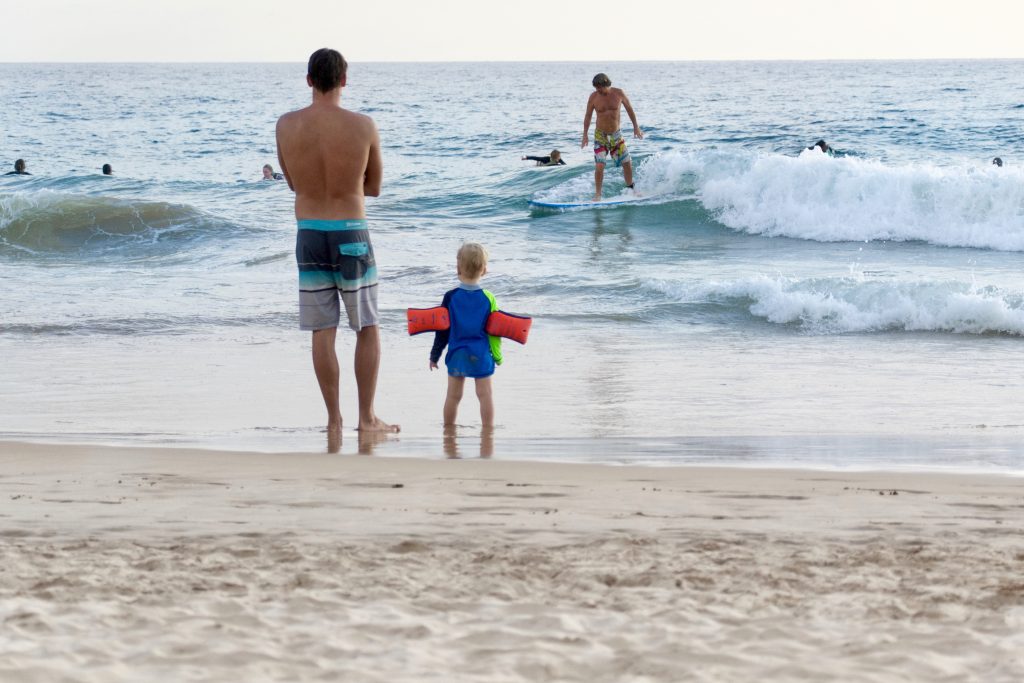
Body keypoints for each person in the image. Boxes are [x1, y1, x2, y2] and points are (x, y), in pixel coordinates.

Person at [275, 47, 398, 445]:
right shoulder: (363, 126)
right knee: (366, 326)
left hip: (309, 233)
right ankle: (366, 418)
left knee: (322, 329)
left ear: (309, 80)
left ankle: (333, 420)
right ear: (344, 80)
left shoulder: (286, 125)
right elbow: (375, 187)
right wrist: (348, 188)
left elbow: (293, 183)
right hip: (350, 232)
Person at [429, 242, 502, 428]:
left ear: (457, 268)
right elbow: (495, 332)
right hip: (482, 354)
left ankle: (448, 430)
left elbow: (442, 330)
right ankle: (488, 430)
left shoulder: (450, 297)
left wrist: (434, 355)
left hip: (457, 354)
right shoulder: (489, 298)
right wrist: (498, 356)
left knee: (453, 396)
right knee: (485, 395)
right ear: (484, 271)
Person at [581, 73, 643, 201]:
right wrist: (585, 135)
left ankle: (631, 189)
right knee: (599, 165)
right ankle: (598, 195)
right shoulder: (593, 97)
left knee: (627, 163)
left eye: (599, 88)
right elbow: (588, 116)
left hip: (616, 135)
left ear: (606, 84)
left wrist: (636, 127)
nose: (597, 90)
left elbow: (630, 110)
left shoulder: (619, 93)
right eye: (596, 88)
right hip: (600, 136)